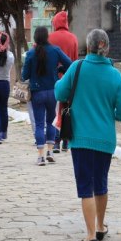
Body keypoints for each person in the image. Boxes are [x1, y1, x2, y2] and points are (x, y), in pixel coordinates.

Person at [55, 29, 121, 241]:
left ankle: (89, 235)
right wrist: (111, 114)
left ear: (87, 47)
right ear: (106, 47)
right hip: (105, 140)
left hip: (80, 138)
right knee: (101, 183)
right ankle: (100, 226)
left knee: (85, 186)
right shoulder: (115, 75)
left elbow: (60, 93)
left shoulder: (77, 68)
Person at [22, 26, 72, 166]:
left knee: (39, 124)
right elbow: (70, 64)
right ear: (47, 37)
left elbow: (24, 75)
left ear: (35, 38)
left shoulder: (31, 54)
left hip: (37, 93)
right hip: (53, 91)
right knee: (51, 121)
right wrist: (59, 70)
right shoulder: (55, 50)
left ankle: (40, 157)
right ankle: (50, 152)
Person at [48, 11, 79, 152]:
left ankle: (55, 141)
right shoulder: (73, 38)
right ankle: (66, 141)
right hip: (69, 78)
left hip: (53, 79)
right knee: (66, 109)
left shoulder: (50, 38)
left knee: (54, 111)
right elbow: (75, 59)